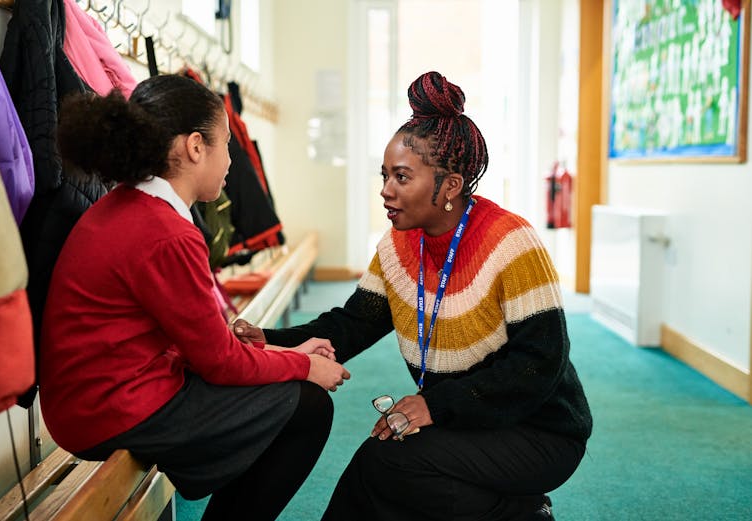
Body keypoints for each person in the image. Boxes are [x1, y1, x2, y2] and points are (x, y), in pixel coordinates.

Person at [253, 71, 593, 520]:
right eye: (384, 175)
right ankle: (522, 512)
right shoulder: (397, 248)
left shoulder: (512, 243)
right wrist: (266, 338)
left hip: (538, 429)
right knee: (386, 466)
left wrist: (435, 405)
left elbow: (539, 364)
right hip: (466, 420)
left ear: (449, 186)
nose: (385, 190)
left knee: (391, 463)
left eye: (401, 177)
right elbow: (349, 326)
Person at [39, 74, 351, 521]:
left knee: (287, 390)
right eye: (227, 143)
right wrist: (305, 366)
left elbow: (201, 343)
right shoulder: (166, 232)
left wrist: (285, 351)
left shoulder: (127, 205)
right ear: (195, 147)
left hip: (91, 401)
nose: (231, 159)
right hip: (108, 409)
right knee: (309, 406)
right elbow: (220, 363)